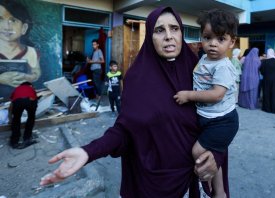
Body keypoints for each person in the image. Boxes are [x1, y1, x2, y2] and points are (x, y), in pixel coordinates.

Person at [40, 7, 225, 198]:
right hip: (152, 184)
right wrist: (88, 152)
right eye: (159, 30)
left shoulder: (201, 72)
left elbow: (223, 120)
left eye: (174, 28)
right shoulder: (137, 79)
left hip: (196, 181)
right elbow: (125, 131)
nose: (169, 36)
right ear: (150, 37)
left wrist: (216, 156)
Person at [173, 9, 239, 198]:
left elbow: (217, 94)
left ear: (231, 42)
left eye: (220, 39)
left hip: (222, 122)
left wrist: (189, 95)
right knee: (210, 155)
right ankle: (215, 189)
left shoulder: (223, 66)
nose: (212, 44)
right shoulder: (204, 58)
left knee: (198, 151)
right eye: (207, 37)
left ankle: (215, 189)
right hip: (209, 118)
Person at [0, 1, 41, 97]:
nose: (6, 27)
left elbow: (36, 72)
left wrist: (28, 77)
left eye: (13, 20)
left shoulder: (31, 52)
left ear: (24, 28)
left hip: (22, 100)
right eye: (0, 19)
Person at [8, 81, 38, 149]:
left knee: (16, 120)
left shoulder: (17, 88)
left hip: (17, 101)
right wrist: (33, 110)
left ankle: (14, 142)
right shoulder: (31, 88)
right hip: (30, 100)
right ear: (30, 85)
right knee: (31, 118)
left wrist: (10, 118)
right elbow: (35, 98)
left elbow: (12, 101)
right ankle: (27, 138)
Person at [260, 48, 275, 114]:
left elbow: (262, 71)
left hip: (267, 80)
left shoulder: (265, 62)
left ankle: (267, 108)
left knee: (267, 94)